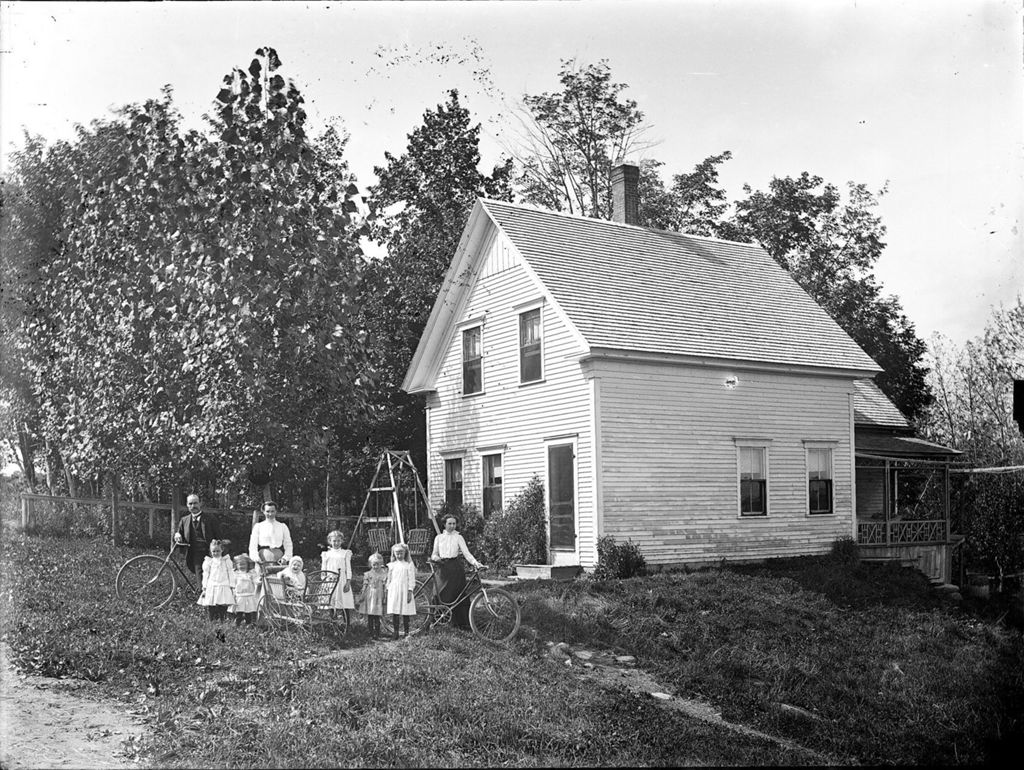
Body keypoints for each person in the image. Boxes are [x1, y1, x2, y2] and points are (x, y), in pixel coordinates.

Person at [430, 515, 482, 629]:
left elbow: (466, 553)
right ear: (444, 524)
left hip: (455, 568)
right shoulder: (439, 538)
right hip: (442, 568)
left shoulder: (458, 537)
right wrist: (436, 558)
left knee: (458, 595)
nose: (452, 526)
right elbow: (434, 554)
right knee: (438, 593)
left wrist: (475, 563)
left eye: (454, 523)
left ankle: (459, 624)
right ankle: (437, 621)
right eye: (450, 523)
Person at [173, 494, 222, 574]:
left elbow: (219, 537)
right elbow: (178, 538)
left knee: (203, 576)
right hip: (192, 553)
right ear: (187, 505)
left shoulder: (210, 519)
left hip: (209, 553)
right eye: (190, 504)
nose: (193, 506)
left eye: (195, 503)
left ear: (200, 503)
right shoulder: (184, 520)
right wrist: (177, 535)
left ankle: (201, 587)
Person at [320, 530, 354, 621]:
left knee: (344, 603)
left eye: (338, 541)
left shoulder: (345, 553)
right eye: (334, 541)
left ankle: (347, 625)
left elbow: (348, 569)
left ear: (342, 541)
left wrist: (348, 582)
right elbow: (323, 570)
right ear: (330, 541)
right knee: (332, 602)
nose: (336, 543)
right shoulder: (326, 554)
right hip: (330, 580)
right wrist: (324, 582)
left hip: (342, 580)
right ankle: (334, 624)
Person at [197, 539, 235, 622]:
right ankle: (211, 619)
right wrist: (204, 587)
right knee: (211, 604)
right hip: (212, 585)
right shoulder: (209, 562)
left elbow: (231, 573)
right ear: (210, 551)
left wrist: (232, 585)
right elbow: (206, 575)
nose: (216, 553)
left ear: (222, 550)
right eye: (213, 551)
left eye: (218, 551)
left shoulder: (226, 561)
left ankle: (222, 620)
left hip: (223, 584)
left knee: (222, 603)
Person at [386, 543, 417, 640]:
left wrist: (410, 590)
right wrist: (387, 589)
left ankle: (406, 632)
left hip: (404, 590)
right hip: (394, 590)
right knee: (395, 612)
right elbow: (389, 579)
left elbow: (412, 579)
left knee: (405, 611)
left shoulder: (408, 565)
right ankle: (395, 632)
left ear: (405, 553)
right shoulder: (392, 565)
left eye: (401, 553)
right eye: (397, 553)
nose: (399, 555)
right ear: (394, 553)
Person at [248, 501, 293, 566]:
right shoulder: (258, 526)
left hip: (278, 558)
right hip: (262, 558)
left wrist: (285, 558)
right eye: (268, 511)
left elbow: (288, 544)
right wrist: (256, 558)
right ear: (263, 511)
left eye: (272, 511)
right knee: (262, 575)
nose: (270, 514)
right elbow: (252, 545)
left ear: (276, 511)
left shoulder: (282, 526)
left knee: (279, 575)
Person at [358, 552, 388, 639]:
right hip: (370, 596)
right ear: (371, 564)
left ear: (381, 564)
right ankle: (371, 633)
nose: (376, 566)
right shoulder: (368, 574)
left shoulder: (383, 574)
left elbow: (385, 586)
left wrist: (385, 597)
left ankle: (377, 633)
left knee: (377, 616)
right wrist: (362, 594)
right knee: (370, 615)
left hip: (379, 595)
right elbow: (365, 585)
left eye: (378, 564)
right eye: (374, 564)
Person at [228, 555, 259, 626]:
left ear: (248, 564)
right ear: (236, 565)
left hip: (249, 594)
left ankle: (249, 623)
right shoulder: (236, 574)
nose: (242, 566)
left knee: (248, 610)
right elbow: (233, 583)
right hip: (240, 595)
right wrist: (233, 591)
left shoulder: (251, 573)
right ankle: (237, 622)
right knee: (239, 610)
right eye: (240, 564)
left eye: (244, 564)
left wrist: (259, 580)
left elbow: (255, 580)